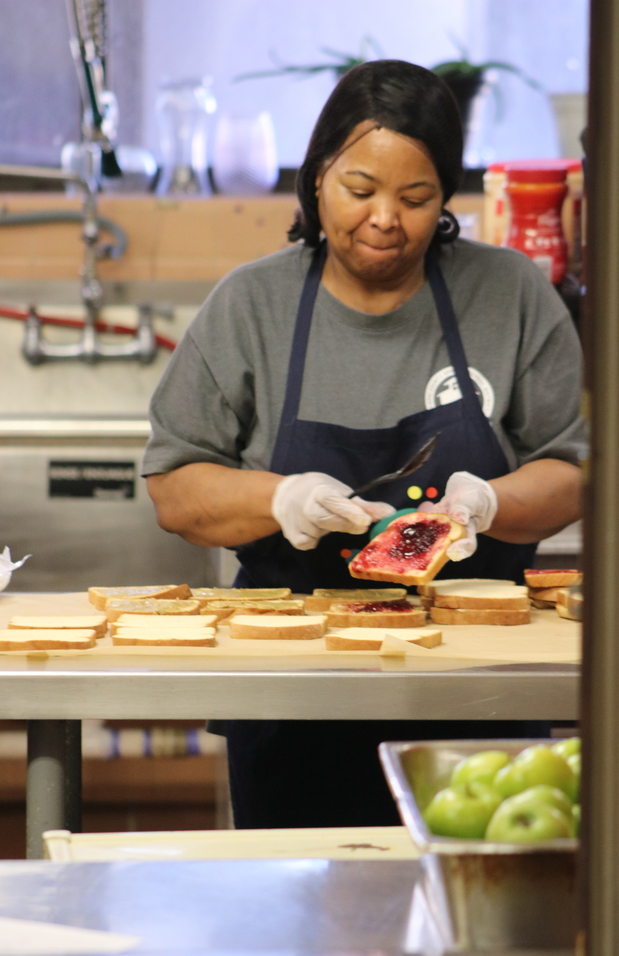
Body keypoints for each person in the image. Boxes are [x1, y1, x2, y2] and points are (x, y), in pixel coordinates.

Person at [143, 60, 584, 829]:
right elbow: (174, 486)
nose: (385, 218)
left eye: (415, 198)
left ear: (445, 197)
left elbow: (574, 469)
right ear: (317, 180)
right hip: (290, 687)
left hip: (475, 683)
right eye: (359, 191)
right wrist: (277, 498)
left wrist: (487, 503)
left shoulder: (509, 294)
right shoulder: (252, 305)